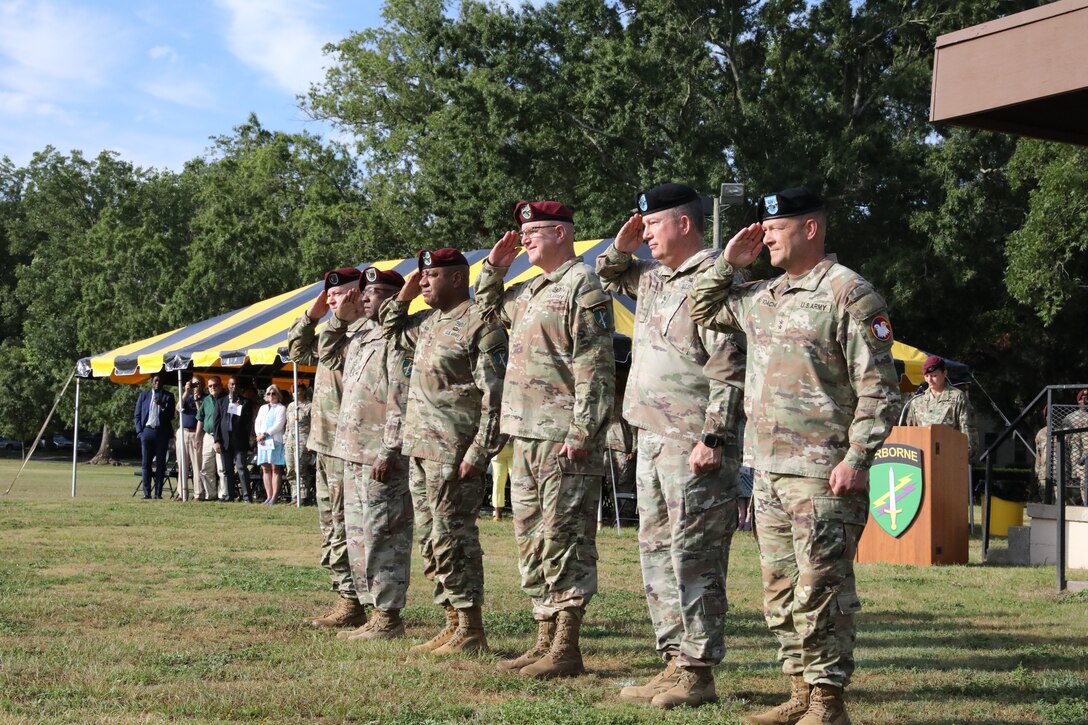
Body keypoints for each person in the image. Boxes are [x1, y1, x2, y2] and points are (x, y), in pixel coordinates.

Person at [688, 187, 900, 725]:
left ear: (810, 229)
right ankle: (799, 692)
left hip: (824, 474)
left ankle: (828, 702)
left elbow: (879, 386)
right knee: (780, 590)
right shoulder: (763, 294)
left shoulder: (848, 294)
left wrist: (857, 456)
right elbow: (700, 308)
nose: (766, 237)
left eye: (775, 229)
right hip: (768, 470)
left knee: (822, 589)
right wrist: (730, 262)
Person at [596, 183, 746, 709]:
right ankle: (674, 661)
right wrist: (623, 243)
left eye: (653, 225)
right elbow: (607, 273)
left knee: (695, 557)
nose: (647, 235)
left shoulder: (717, 277)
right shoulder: (654, 278)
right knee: (656, 553)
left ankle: (699, 671)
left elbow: (729, 364)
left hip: (694, 443)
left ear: (684, 224)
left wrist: (715, 436)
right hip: (653, 439)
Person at [475, 200, 615, 679]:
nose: (525, 240)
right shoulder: (532, 289)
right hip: (528, 434)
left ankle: (567, 645)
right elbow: (485, 309)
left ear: (561, 233)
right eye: (523, 232)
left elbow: (596, 367)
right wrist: (495, 265)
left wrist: (582, 430)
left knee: (566, 538)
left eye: (534, 232)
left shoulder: (584, 285)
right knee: (531, 539)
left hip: (563, 437)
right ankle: (543, 638)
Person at [381, 248, 508, 656]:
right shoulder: (427, 323)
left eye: (431, 275)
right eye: (422, 275)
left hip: (455, 451)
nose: (424, 283)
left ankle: (471, 626)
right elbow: (389, 326)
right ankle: (451, 620)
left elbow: (497, 396)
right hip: (420, 448)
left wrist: (479, 452)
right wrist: (405, 293)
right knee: (429, 539)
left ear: (457, 278)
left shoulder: (480, 323)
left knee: (453, 537)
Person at [322, 266, 411, 640]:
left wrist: (389, 450)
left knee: (383, 533)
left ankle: (389, 615)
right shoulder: (360, 335)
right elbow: (326, 354)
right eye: (363, 293)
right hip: (351, 452)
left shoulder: (398, 338)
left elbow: (400, 400)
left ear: (391, 298)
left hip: (378, 453)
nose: (365, 298)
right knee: (358, 536)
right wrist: (339, 318)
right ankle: (372, 609)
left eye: (374, 293)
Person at [288, 267, 369, 629]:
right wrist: (311, 315)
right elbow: (296, 352)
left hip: (348, 445)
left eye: (340, 295)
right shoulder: (331, 330)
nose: (334, 300)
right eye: (330, 296)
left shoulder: (363, 333)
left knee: (347, 525)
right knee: (330, 524)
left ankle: (355, 601)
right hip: (323, 442)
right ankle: (345, 596)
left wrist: (335, 321)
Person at [904, 355, 978, 460]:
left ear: (944, 373)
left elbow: (968, 432)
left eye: (934, 375)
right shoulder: (917, 400)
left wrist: (962, 457)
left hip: (949, 460)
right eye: (927, 376)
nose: (930, 380)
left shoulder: (957, 397)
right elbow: (910, 432)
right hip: (920, 460)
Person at [133, 374, 176, 499]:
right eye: (156, 380)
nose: (158, 383)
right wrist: (140, 433)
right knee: (146, 464)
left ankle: (158, 493)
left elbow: (171, 416)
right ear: (152, 382)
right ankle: (147, 493)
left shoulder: (168, 396)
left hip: (161, 433)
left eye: (160, 380)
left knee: (161, 464)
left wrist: (162, 405)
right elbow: (137, 415)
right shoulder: (144, 395)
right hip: (146, 432)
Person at [213, 376, 254, 503]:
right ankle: (229, 495)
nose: (234, 387)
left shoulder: (245, 402)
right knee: (227, 470)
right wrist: (217, 440)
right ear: (228, 386)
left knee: (241, 468)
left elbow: (247, 422)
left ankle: (247, 497)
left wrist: (238, 408)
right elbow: (216, 422)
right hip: (225, 441)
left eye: (236, 385)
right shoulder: (221, 401)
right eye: (231, 384)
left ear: (239, 386)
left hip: (239, 440)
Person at [255, 384, 288, 504]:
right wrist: (258, 434)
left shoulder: (281, 408)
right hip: (262, 441)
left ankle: (274, 497)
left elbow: (279, 424)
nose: (271, 396)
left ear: (278, 395)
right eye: (269, 393)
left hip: (275, 440)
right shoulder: (263, 408)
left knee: (275, 468)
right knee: (265, 468)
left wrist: (265, 433)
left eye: (273, 393)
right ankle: (268, 496)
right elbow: (257, 421)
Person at [195, 376, 225, 501]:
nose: (212, 388)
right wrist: (197, 436)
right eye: (210, 386)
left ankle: (223, 495)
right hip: (208, 436)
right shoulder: (206, 400)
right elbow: (200, 418)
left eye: (215, 385)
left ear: (221, 385)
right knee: (206, 467)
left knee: (222, 468)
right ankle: (211, 494)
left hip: (222, 437)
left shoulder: (226, 399)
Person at [285, 385, 316, 504]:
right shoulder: (291, 406)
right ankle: (294, 494)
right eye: (293, 391)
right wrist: (285, 437)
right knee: (290, 468)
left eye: (298, 391)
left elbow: (314, 425)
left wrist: (311, 442)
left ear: (303, 392)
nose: (295, 393)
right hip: (290, 439)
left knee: (301, 468)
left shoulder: (309, 406)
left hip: (303, 439)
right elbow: (288, 423)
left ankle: (302, 495)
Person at [176, 377, 203, 499]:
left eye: (198, 383)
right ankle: (182, 492)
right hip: (183, 432)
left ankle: (198, 493)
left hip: (195, 433)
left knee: (197, 465)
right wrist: (186, 392)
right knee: (182, 464)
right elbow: (178, 408)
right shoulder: (186, 396)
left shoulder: (206, 397)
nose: (195, 385)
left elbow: (201, 414)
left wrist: (197, 400)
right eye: (193, 383)